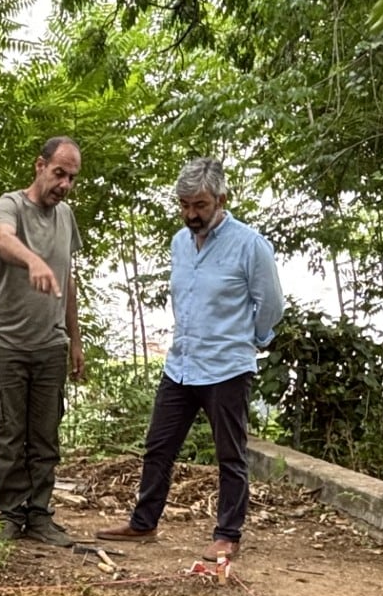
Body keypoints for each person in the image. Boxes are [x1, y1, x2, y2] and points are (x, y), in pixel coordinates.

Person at [98, 157, 284, 561]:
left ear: (221, 199)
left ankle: (227, 534)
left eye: (199, 205)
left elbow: (270, 303)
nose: (190, 214)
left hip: (227, 368)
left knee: (230, 455)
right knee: (158, 447)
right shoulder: (180, 243)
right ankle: (143, 523)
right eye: (184, 205)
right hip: (181, 364)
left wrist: (249, 340)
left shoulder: (250, 245)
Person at [0, 138, 84, 547]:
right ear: (40, 166)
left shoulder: (66, 217)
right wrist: (33, 260)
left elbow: (68, 277)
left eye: (72, 178)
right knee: (9, 434)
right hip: (5, 343)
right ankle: (9, 515)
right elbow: (2, 240)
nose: (64, 184)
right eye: (59, 173)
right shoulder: (11, 206)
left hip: (50, 345)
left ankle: (39, 515)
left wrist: (75, 339)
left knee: (45, 435)